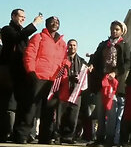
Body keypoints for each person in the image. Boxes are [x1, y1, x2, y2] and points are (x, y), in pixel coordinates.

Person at [22, 16, 67, 144]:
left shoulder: (62, 43)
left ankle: (45, 137)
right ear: (46, 24)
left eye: (57, 22)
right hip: (38, 77)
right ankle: (23, 134)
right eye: (52, 21)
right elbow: (29, 54)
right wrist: (31, 71)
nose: (55, 23)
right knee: (30, 107)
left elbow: (64, 60)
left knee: (49, 110)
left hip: (53, 81)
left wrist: (66, 66)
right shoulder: (38, 37)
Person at [0, 9, 42, 143]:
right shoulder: (7, 29)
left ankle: (19, 133)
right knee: (7, 103)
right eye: (21, 16)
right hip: (9, 71)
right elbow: (16, 37)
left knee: (22, 103)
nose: (23, 19)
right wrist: (34, 24)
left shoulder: (24, 33)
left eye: (25, 17)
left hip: (22, 71)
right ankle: (3, 132)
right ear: (13, 16)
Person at [88, 21, 130, 147]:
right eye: (112, 29)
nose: (114, 31)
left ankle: (109, 139)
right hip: (102, 82)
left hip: (115, 84)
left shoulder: (124, 45)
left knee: (111, 112)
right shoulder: (103, 45)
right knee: (100, 111)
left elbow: (127, 64)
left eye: (117, 29)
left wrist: (115, 73)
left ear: (122, 31)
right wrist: (91, 65)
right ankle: (99, 138)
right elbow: (95, 58)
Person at [56, 39, 90, 144]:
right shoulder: (61, 58)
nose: (72, 47)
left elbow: (86, 72)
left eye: (74, 45)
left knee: (73, 115)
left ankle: (69, 136)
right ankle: (58, 136)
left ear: (77, 47)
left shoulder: (82, 61)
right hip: (63, 90)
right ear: (67, 46)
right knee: (61, 115)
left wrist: (89, 68)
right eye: (70, 45)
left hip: (76, 91)